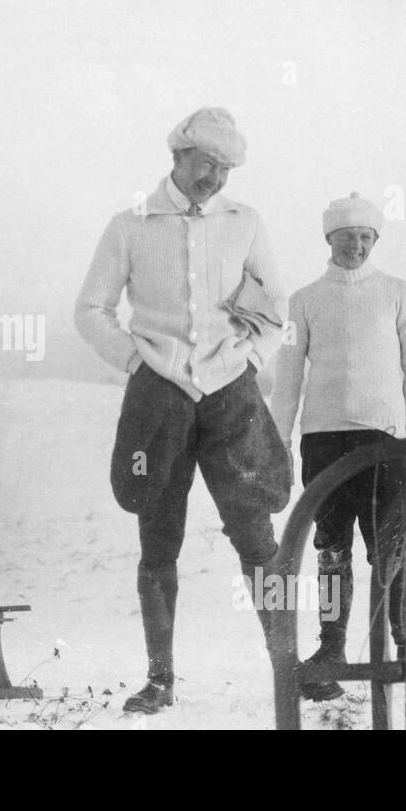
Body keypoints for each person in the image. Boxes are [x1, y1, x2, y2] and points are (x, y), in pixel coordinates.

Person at [75, 107, 293, 715]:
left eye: (225, 170)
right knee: (158, 535)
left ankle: (287, 669)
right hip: (159, 397)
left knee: (258, 533)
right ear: (177, 157)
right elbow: (90, 308)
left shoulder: (245, 223)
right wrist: (136, 362)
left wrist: (249, 358)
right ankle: (160, 679)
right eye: (206, 165)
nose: (214, 179)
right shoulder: (130, 226)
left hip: (231, 395)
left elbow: (276, 305)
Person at [269, 192, 406, 700]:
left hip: (384, 441)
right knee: (331, 548)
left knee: (391, 549)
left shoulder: (399, 293)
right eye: (345, 237)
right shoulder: (304, 300)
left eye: (365, 237)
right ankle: (331, 649)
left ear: (375, 239)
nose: (355, 246)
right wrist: (281, 440)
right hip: (323, 442)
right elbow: (289, 371)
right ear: (329, 239)